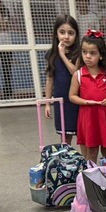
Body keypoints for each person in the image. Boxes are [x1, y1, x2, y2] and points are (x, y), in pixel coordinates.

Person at [68, 30, 106, 164]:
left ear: (101, 55)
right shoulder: (78, 75)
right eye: (84, 52)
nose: (87, 56)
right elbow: (72, 96)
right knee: (91, 152)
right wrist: (85, 102)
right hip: (88, 117)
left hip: (105, 116)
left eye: (93, 53)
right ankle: (91, 174)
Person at [44, 14, 80, 148]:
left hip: (77, 99)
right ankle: (66, 157)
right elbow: (49, 79)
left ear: (76, 35)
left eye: (71, 33)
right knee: (65, 136)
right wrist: (48, 103)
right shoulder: (51, 54)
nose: (66, 36)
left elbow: (75, 72)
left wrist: (63, 55)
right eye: (62, 32)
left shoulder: (79, 53)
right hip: (61, 100)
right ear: (56, 34)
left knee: (82, 133)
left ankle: (86, 159)